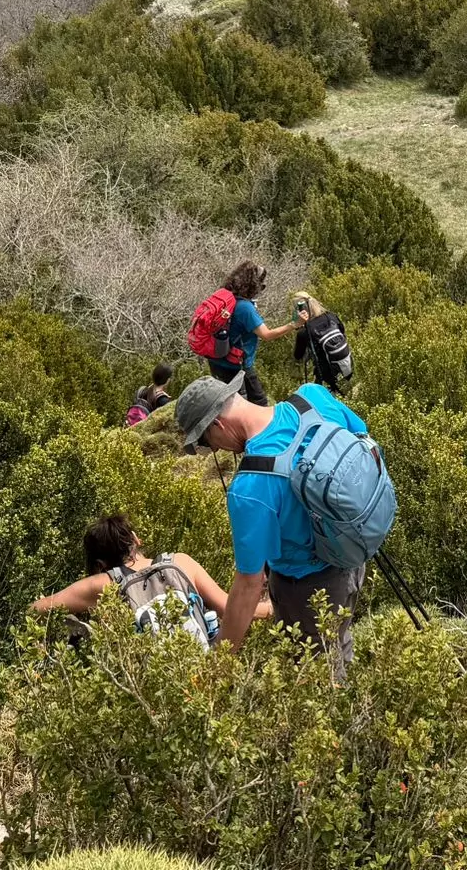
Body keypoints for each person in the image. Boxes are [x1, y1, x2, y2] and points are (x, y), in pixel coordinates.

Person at [170, 375, 374, 672]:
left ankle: (346, 709)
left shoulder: (250, 487)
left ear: (218, 425)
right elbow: (362, 440)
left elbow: (250, 584)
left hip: (308, 590)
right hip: (354, 555)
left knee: (317, 683)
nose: (213, 449)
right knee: (339, 641)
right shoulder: (313, 398)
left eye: (204, 441)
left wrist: (220, 664)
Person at [30, 514, 263, 640]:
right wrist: (275, 606)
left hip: (151, 687)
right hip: (203, 671)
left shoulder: (102, 585)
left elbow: (36, 609)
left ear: (100, 563)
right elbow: (230, 608)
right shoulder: (181, 562)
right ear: (136, 539)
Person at [211, 262, 295, 407]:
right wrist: (294, 325)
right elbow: (266, 335)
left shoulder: (225, 297)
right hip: (236, 365)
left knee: (227, 402)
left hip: (216, 359)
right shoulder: (245, 308)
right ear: (252, 285)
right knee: (258, 402)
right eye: (260, 285)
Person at [289, 293, 351, 392]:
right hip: (347, 366)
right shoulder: (331, 316)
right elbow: (343, 332)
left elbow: (298, 356)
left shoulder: (304, 332)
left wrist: (298, 326)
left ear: (299, 311)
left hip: (325, 376)